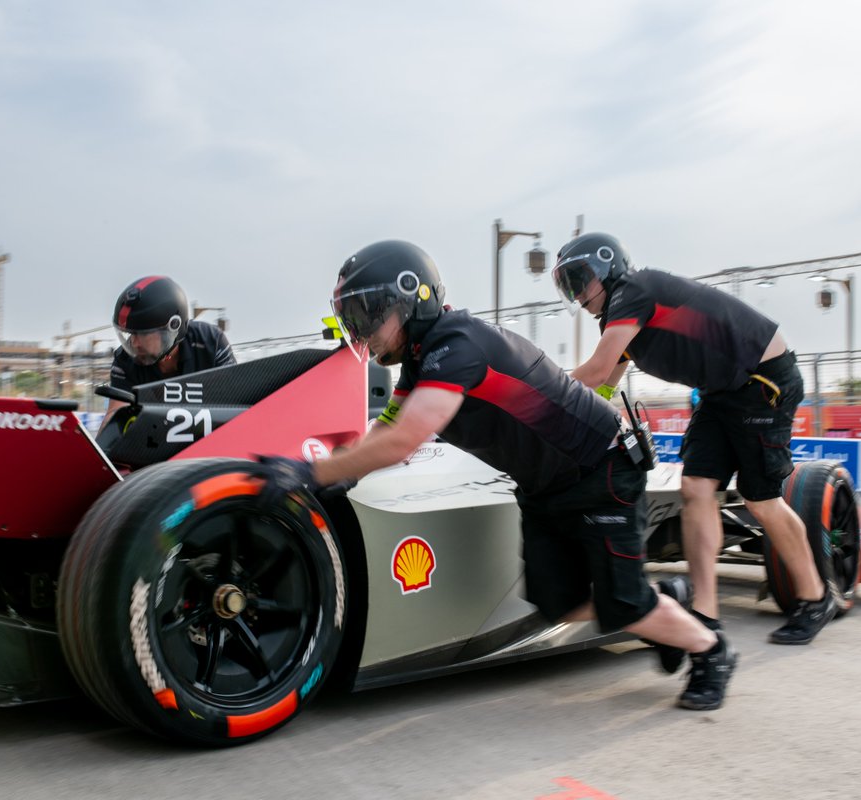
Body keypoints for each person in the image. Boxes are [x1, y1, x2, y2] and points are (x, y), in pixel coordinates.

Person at [259, 240, 737, 710]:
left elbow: (404, 441)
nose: (363, 331)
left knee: (624, 603)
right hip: (546, 484)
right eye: (354, 317)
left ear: (412, 297)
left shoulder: (457, 346)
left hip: (602, 470)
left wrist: (314, 471)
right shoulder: (421, 363)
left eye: (369, 314)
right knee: (558, 604)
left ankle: (712, 652)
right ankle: (663, 604)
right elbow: (382, 431)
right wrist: (340, 473)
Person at [551, 232, 835, 645]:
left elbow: (594, 373)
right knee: (696, 488)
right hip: (721, 391)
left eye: (580, 279)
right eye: (569, 285)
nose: (577, 293)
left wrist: (536, 388)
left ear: (608, 266)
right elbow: (604, 388)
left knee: (761, 499)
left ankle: (815, 596)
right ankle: (706, 612)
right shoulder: (621, 315)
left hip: (763, 381)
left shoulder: (634, 290)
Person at [99, 275, 235, 431]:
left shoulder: (211, 342)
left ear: (172, 328)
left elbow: (235, 405)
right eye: (130, 334)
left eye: (142, 334)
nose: (134, 343)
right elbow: (115, 415)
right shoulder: (124, 360)